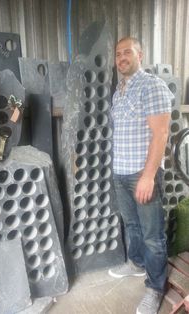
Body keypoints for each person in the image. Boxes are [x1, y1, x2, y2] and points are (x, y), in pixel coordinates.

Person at [108, 37, 174, 314]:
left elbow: (160, 134)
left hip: (141, 174)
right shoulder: (119, 91)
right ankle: (136, 263)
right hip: (121, 172)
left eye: (127, 52)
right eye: (118, 54)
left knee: (152, 235)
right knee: (131, 225)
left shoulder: (152, 86)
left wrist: (148, 177)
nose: (122, 58)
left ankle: (155, 287)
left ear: (140, 55)